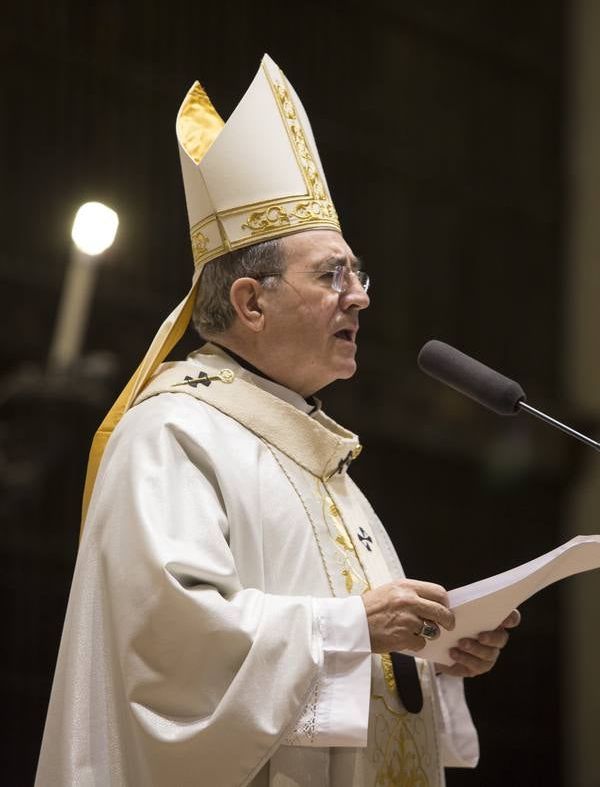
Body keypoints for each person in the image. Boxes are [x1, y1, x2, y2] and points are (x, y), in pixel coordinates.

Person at [36, 54, 519, 787]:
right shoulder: (173, 435)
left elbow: (351, 655)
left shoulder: (321, 461)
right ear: (251, 304)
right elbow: (168, 654)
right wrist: (355, 625)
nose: (358, 297)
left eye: (359, 275)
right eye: (332, 275)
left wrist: (431, 654)